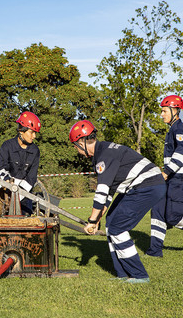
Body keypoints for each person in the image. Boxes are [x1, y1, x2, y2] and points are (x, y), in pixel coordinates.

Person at [69, 120, 166, 283]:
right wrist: (98, 219)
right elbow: (109, 192)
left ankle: (139, 275)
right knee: (111, 221)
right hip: (144, 185)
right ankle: (123, 274)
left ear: (81, 142)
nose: (75, 149)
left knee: (117, 228)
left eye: (75, 145)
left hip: (147, 186)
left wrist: (92, 220)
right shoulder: (104, 150)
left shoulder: (103, 157)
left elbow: (101, 191)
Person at [146, 95, 183, 257]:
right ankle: (155, 251)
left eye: (164, 111)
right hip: (169, 180)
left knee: (173, 217)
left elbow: (182, 152)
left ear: (175, 111)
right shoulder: (171, 130)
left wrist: (167, 172)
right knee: (158, 211)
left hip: (178, 180)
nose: (161, 114)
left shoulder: (179, 129)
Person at [0, 111, 41, 216]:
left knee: (26, 217)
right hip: (6, 188)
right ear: (21, 131)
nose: (34, 136)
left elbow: (32, 176)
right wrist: (8, 183)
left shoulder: (35, 151)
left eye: (35, 133)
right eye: (31, 132)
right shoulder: (7, 146)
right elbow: (2, 167)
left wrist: (19, 193)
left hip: (24, 192)